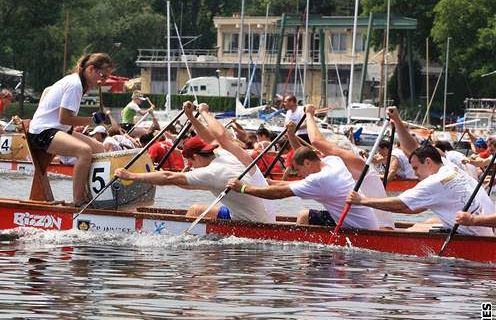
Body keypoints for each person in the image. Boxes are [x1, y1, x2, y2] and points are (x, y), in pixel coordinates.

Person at [115, 102, 274, 222]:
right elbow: (217, 136)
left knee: (195, 210)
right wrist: (195, 115)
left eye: (190, 163)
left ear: (195, 157)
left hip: (255, 223)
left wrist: (131, 176)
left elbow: (169, 177)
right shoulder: (226, 153)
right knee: (201, 207)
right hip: (268, 215)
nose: (190, 167)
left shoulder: (212, 172)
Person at [347, 145, 495, 237]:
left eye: (416, 168)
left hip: (477, 234)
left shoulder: (434, 181)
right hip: (487, 229)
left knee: (413, 230)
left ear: (429, 162)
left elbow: (401, 204)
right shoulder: (451, 167)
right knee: (430, 220)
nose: (415, 174)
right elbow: (414, 209)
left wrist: (362, 201)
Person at [26, 53, 110, 205]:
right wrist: (93, 121)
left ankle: (89, 195)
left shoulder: (76, 81)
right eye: (103, 76)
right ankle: (78, 201)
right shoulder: (75, 84)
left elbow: (47, 90)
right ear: (91, 69)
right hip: (43, 133)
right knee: (84, 151)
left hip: (56, 130)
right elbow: (64, 118)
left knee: (99, 148)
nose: (103, 81)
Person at [228, 145, 379, 230]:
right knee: (305, 215)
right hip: (362, 221)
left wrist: (243, 188)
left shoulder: (320, 178)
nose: (299, 174)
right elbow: (290, 185)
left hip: (359, 229)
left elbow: (279, 194)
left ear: (307, 162)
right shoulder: (333, 161)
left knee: (302, 215)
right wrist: (270, 182)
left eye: (298, 170)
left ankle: (302, 248)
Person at [301, 104, 394, 228]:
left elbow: (317, 142)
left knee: (304, 215)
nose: (325, 157)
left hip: (377, 228)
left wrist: (309, 114)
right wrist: (291, 134)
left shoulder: (357, 164)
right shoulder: (340, 170)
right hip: (362, 223)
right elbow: (303, 163)